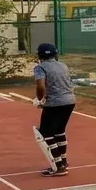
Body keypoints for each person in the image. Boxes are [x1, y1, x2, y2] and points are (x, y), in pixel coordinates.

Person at [33, 42, 75, 177]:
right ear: (55, 54)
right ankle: (63, 161)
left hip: (54, 103)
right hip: (69, 101)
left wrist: (40, 100)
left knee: (46, 133)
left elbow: (40, 86)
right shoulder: (63, 66)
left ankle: (58, 166)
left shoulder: (40, 67)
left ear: (39, 55)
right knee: (59, 131)